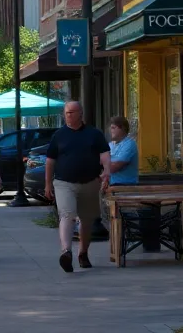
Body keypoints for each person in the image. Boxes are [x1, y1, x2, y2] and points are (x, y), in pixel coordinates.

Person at [44, 101, 110, 273]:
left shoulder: (94, 134)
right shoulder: (59, 135)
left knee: (87, 220)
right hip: (64, 183)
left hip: (90, 182)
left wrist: (107, 171)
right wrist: (47, 184)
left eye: (72, 112)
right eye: (66, 112)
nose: (69, 115)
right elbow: (50, 161)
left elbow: (104, 154)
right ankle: (66, 252)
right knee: (67, 215)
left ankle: (83, 253)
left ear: (81, 113)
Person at [107, 116, 139, 186]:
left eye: (113, 128)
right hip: (111, 185)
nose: (110, 130)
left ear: (123, 128)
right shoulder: (110, 145)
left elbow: (114, 167)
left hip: (126, 186)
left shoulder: (129, 144)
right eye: (110, 128)